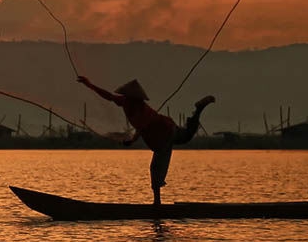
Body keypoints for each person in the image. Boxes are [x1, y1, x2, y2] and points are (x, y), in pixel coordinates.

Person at [77, 75, 215, 205]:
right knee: (185, 135)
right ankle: (198, 110)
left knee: (156, 167)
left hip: (165, 134)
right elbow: (108, 96)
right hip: (166, 131)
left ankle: (157, 203)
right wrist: (89, 84)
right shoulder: (126, 102)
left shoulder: (140, 109)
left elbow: (141, 127)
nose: (125, 98)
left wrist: (131, 140)